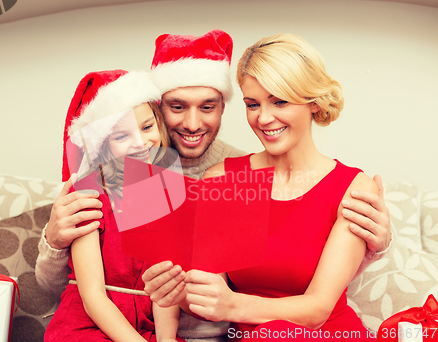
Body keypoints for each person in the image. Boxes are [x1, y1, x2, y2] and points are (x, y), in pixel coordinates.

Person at [36, 30, 391, 341]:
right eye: (177, 106)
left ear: (222, 107)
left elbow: (311, 299)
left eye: (207, 106)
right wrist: (54, 239)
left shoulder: (346, 187)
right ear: (158, 110)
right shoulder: (216, 177)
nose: (264, 118)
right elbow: (197, 284)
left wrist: (372, 248)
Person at [143, 33, 383, 341]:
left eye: (279, 101)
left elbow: (318, 309)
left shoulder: (351, 187)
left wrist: (234, 306)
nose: (264, 118)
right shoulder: (225, 180)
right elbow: (208, 294)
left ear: (312, 102)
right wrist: (174, 290)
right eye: (252, 104)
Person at [43, 69, 185, 342]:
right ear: (104, 145)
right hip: (89, 324)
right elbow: (92, 295)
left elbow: (165, 289)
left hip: (147, 326)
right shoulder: (88, 194)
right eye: (122, 137)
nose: (141, 143)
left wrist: (165, 340)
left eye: (147, 127)